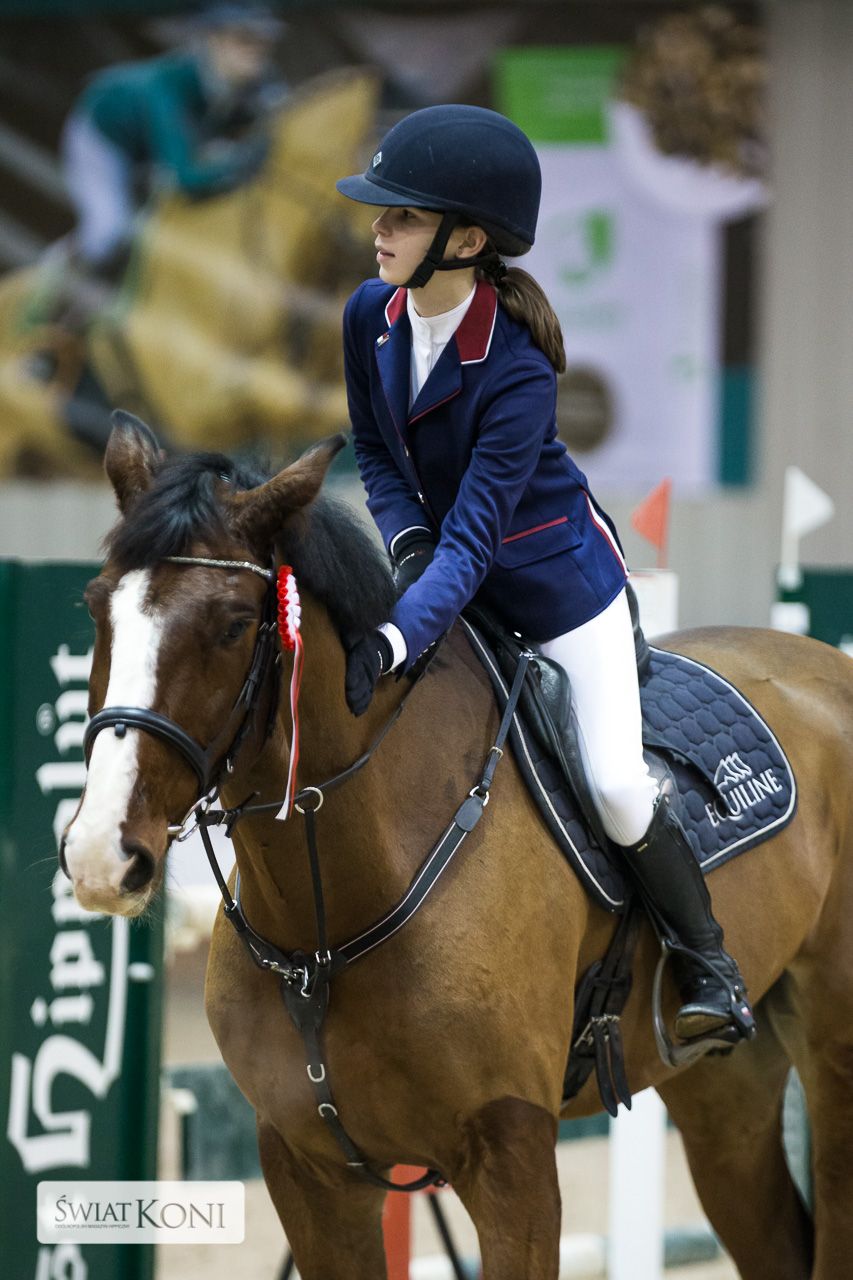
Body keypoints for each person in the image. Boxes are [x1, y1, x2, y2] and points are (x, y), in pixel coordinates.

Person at [335, 104, 755, 1046]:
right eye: (383, 213)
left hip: (556, 593)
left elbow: (478, 538)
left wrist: (398, 636)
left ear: (465, 240)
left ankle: (710, 967)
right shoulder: (369, 315)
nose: (379, 229)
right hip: (446, 569)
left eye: (402, 216)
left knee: (614, 785)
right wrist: (405, 545)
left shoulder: (518, 369)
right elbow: (374, 452)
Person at [60, 1, 284, 278]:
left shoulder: (262, 83)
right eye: (244, 38)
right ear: (212, 40)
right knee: (110, 231)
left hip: (156, 145)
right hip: (104, 137)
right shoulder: (167, 86)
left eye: (264, 41)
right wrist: (240, 163)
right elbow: (186, 180)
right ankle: (61, 280)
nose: (256, 50)